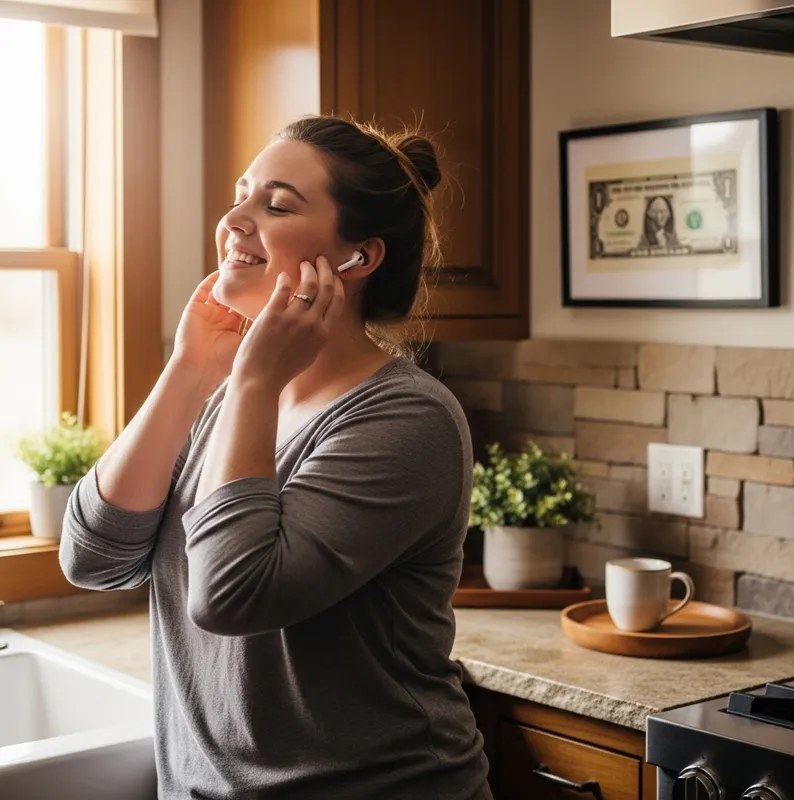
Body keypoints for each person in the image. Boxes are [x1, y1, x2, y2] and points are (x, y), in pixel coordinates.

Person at [59, 115, 492, 800]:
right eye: (240, 194)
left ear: (359, 258)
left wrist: (255, 380)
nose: (234, 218)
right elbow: (93, 560)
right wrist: (190, 367)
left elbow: (234, 593)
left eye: (277, 204)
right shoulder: (221, 396)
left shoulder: (408, 418)